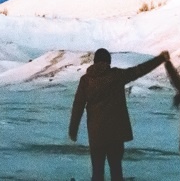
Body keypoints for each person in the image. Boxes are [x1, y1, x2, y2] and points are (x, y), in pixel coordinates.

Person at [69, 48, 169, 181]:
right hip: (115, 134)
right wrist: (160, 59)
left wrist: (73, 129)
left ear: (94, 62)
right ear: (108, 61)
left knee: (97, 173)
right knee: (116, 172)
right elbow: (140, 70)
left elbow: (78, 106)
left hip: (96, 135)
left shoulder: (86, 80)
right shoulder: (116, 76)